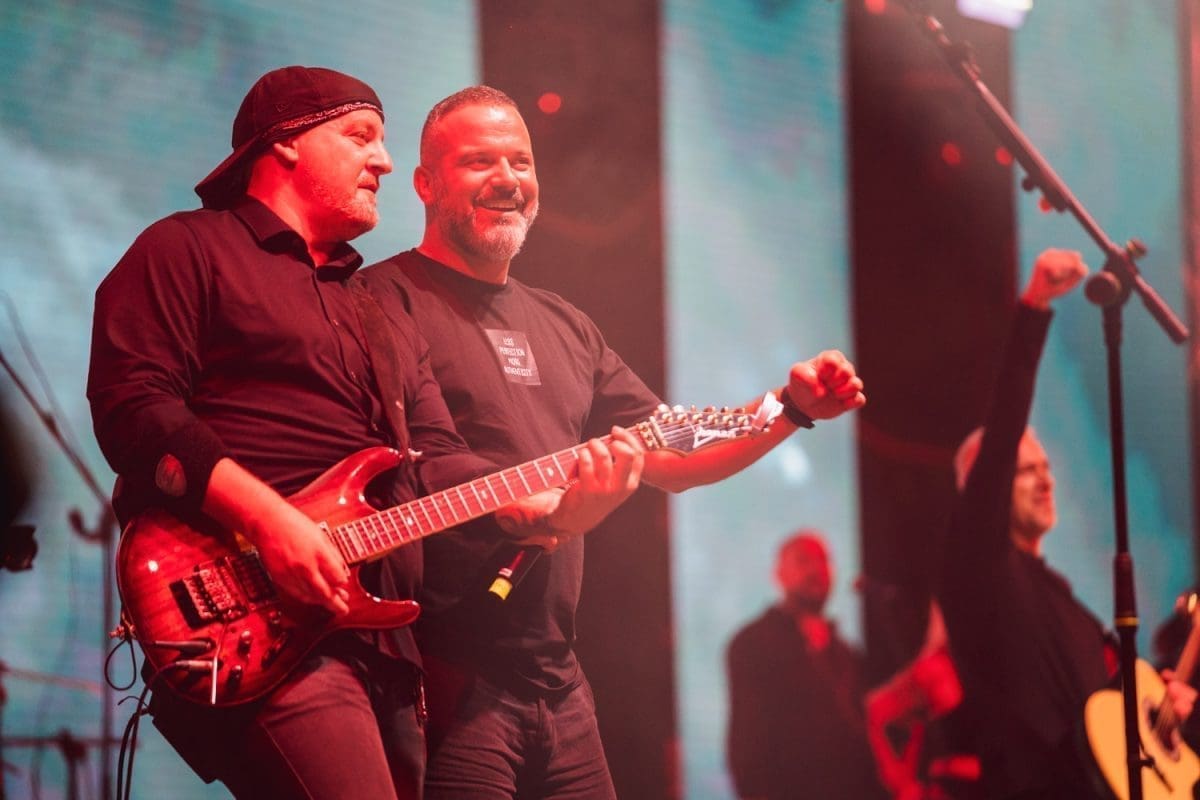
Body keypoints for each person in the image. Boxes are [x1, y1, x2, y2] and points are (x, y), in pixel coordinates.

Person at [87, 66, 641, 800]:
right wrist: (271, 523)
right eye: (360, 137)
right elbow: (132, 404)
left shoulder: (373, 306)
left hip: (380, 641)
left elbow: (431, 458)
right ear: (285, 144)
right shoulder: (188, 248)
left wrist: (533, 507)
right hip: (255, 612)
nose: (382, 161)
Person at [357, 84, 867, 799]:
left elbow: (675, 456)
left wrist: (788, 411)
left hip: (559, 682)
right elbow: (418, 467)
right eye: (479, 162)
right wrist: (547, 515)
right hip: (442, 674)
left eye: (521, 162)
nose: (507, 179)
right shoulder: (380, 301)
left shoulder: (566, 325)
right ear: (424, 183)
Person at [937, 249, 1196, 799]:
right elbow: (1002, 435)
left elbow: (1102, 729)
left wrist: (1161, 709)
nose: (1046, 480)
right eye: (1026, 470)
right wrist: (1034, 308)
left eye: (1047, 468)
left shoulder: (1069, 610)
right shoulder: (977, 572)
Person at [725, 531, 887, 800]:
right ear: (779, 575)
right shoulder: (752, 644)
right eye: (803, 561)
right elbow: (747, 742)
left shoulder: (846, 653)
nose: (816, 570)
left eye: (823, 560)